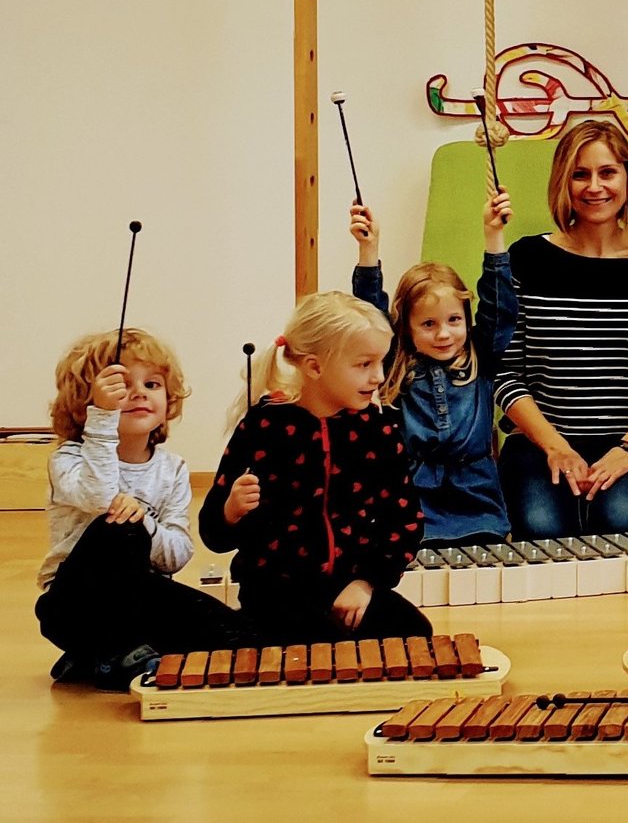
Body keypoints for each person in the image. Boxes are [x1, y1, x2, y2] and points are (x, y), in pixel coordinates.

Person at [496, 118, 628, 538]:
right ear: (562, 183)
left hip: (627, 446)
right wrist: (555, 447)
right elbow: (506, 375)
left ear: (627, 177)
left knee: (622, 529)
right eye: (580, 175)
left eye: (607, 172)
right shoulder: (527, 257)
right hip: (540, 445)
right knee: (542, 529)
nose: (594, 187)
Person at [199, 293, 430, 643]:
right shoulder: (263, 427)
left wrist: (366, 581)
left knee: (414, 635)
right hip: (275, 593)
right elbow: (213, 534)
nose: (379, 377)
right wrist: (231, 511)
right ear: (315, 367)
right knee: (318, 645)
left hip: (350, 586)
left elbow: (404, 520)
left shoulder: (378, 430)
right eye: (364, 364)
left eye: (380, 363)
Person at [36, 329, 239, 689]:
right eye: (120, 385)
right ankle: (103, 650)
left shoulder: (172, 468)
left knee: (236, 636)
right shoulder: (67, 459)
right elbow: (99, 498)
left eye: (152, 384)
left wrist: (145, 520)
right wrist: (102, 418)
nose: (139, 393)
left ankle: (99, 657)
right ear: (88, 402)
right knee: (120, 529)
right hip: (73, 605)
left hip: (139, 599)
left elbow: (175, 557)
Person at [350, 189, 516, 546]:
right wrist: (368, 251)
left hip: (476, 494)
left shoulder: (480, 354)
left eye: (454, 319)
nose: (444, 334)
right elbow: (367, 317)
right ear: (405, 327)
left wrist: (494, 237)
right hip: (412, 493)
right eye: (428, 324)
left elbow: (501, 307)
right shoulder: (396, 360)